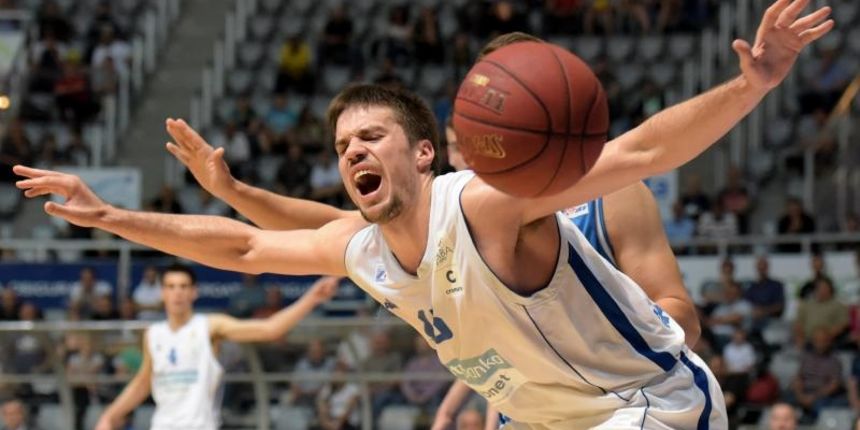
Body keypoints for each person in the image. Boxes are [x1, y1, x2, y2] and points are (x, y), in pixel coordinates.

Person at [14, 2, 834, 426]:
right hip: (541, 416)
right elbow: (249, 247)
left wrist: (754, 84)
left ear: (427, 153)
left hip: (642, 403)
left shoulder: (489, 203)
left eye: (372, 137)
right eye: (342, 147)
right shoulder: (364, 247)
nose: (353, 154)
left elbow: (643, 151)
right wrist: (112, 215)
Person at [90, 264, 338, 430]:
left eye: (184, 286)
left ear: (194, 292)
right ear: (162, 293)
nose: (178, 293)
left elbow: (269, 329)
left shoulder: (209, 326)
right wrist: (110, 416)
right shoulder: (153, 334)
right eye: (171, 287)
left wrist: (312, 298)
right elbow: (142, 382)